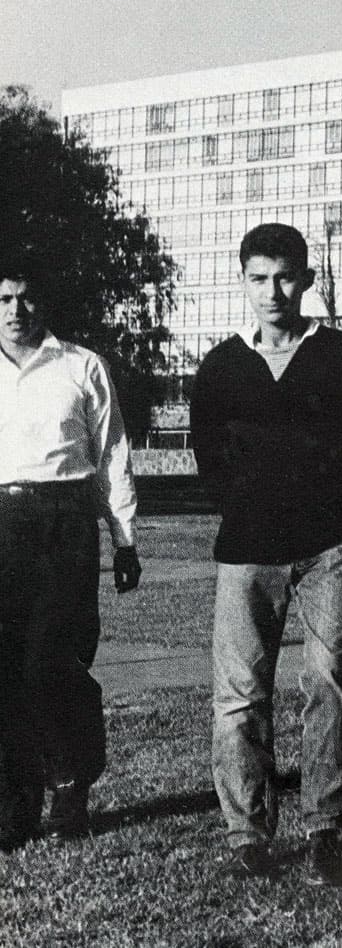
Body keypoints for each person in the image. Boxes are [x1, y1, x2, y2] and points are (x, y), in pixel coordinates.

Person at [191, 223, 342, 884]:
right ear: (242, 281)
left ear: (304, 279)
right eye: (258, 278)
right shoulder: (220, 367)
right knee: (240, 694)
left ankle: (327, 830)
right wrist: (248, 503)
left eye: (284, 277)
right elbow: (207, 458)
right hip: (247, 551)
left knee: (328, 682)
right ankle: (249, 834)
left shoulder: (341, 356)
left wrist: (325, 505)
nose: (272, 291)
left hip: (326, 547)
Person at [0, 259, 142, 848]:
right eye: (4, 299)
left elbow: (112, 454)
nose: (15, 312)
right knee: (5, 666)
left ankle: (68, 787)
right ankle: (13, 802)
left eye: (26, 298)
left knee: (54, 662)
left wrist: (125, 538)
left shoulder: (82, 366)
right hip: (0, 521)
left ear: (44, 302)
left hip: (64, 523)